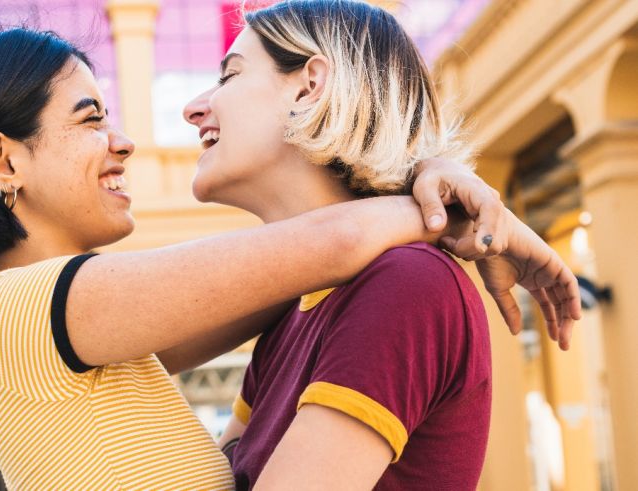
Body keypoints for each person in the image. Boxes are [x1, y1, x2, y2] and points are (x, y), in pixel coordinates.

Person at [0, 23, 578, 491]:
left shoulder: (73, 328)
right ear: (3, 160)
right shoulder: (24, 309)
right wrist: (449, 210)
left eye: (229, 75)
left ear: (313, 85)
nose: (125, 141)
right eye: (91, 118)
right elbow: (328, 245)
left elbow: (304, 275)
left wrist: (421, 184)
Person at [180, 1, 576, 489]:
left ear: (310, 86)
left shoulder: (406, 282)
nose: (193, 107)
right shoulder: (293, 313)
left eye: (229, 77)